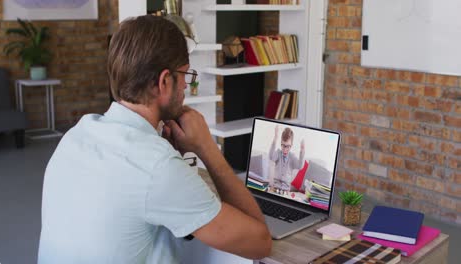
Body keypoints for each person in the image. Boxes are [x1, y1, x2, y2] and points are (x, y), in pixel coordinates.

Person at [38, 15, 271, 264]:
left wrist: (168, 157)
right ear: (164, 82)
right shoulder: (157, 166)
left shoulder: (77, 134)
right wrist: (206, 147)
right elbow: (260, 243)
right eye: (185, 75)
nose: (185, 87)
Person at [269, 125, 305, 193]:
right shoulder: (278, 153)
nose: (285, 149)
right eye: (283, 145)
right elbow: (271, 156)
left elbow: (300, 166)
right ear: (280, 143)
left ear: (292, 145)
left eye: (288, 146)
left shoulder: (292, 157)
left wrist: (302, 150)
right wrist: (275, 137)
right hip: (275, 187)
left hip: (286, 190)